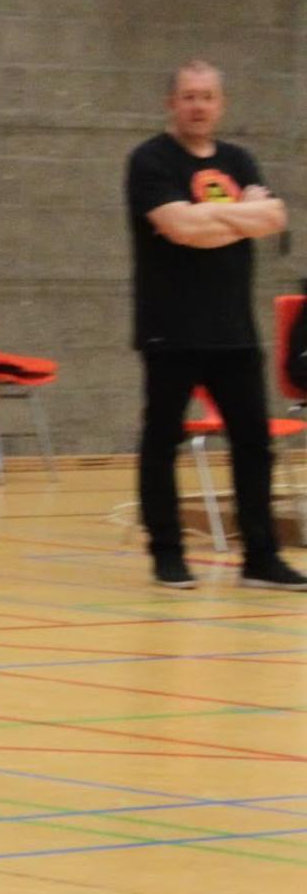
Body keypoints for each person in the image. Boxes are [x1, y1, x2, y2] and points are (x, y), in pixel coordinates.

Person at [127, 60, 307, 591]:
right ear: (172, 103)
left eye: (207, 96)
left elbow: (274, 218)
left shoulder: (238, 159)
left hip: (234, 330)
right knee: (163, 440)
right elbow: (179, 228)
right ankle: (167, 554)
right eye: (189, 96)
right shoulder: (151, 160)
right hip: (171, 328)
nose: (198, 106)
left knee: (253, 443)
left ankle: (261, 558)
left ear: (220, 104)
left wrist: (207, 219)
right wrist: (238, 217)